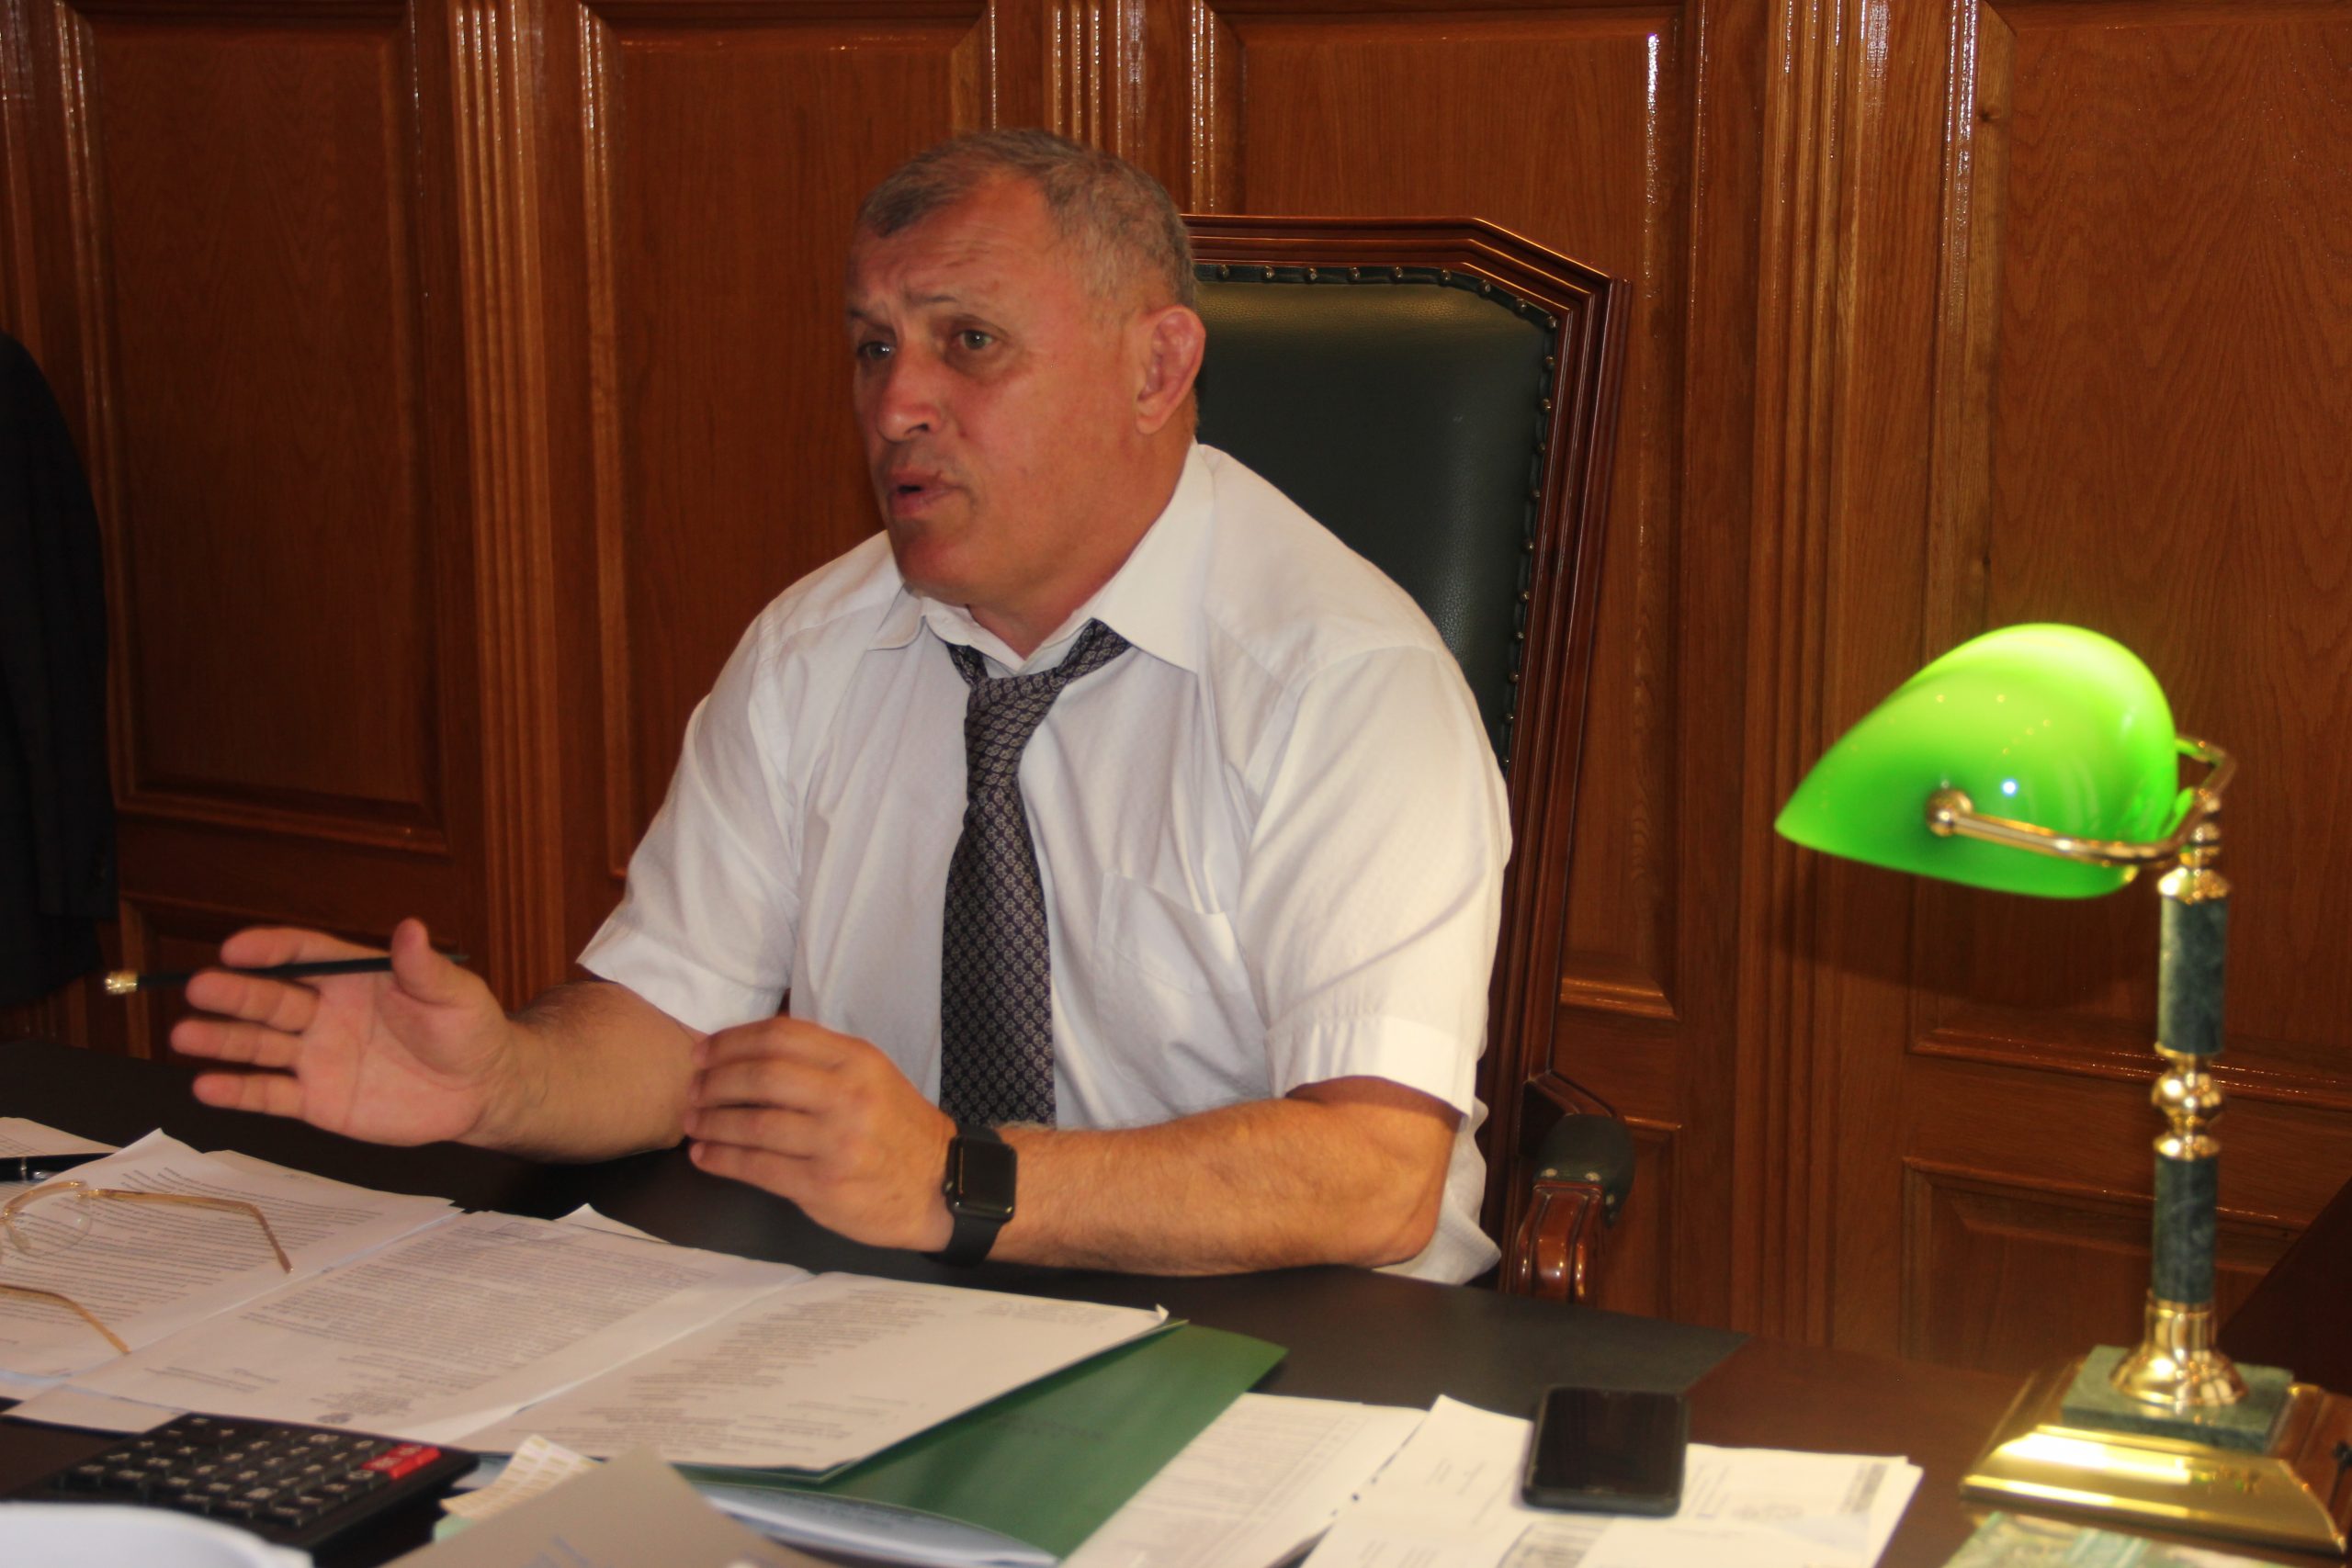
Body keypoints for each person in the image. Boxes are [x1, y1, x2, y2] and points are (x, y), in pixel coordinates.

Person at [172, 130, 1510, 1282]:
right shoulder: (815, 647)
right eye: (873, 346)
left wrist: (956, 1179)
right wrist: (501, 1083)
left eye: (967, 341)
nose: (896, 402)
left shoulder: (1341, 679)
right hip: (891, 1311)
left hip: (1286, 1339)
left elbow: (1376, 1175)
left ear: (1156, 371)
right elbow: (673, 1020)